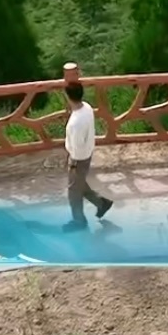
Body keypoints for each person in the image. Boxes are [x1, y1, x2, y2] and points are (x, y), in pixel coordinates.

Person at [62, 81, 114, 230]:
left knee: (73, 192)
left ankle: (79, 221)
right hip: (87, 153)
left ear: (67, 96)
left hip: (78, 159)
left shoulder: (75, 123)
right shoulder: (87, 107)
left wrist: (72, 163)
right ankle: (101, 203)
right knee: (78, 184)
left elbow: (77, 147)